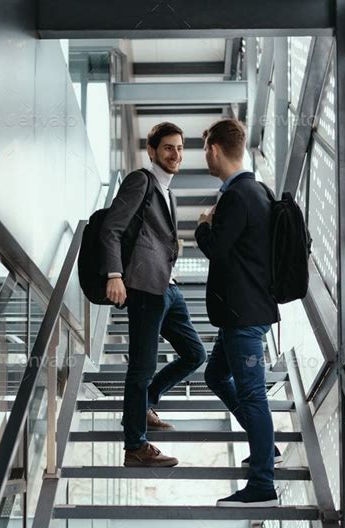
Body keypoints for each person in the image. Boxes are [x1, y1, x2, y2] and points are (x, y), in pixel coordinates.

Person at [100, 122, 207, 467]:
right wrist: (115, 274)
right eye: (168, 148)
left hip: (169, 288)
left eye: (179, 148)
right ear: (152, 151)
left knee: (194, 354)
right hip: (144, 287)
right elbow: (112, 228)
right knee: (142, 366)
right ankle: (135, 446)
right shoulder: (140, 181)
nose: (175, 154)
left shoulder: (170, 193)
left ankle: (145, 403)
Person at [195, 118, 281, 506]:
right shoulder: (258, 190)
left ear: (214, 149)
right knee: (216, 375)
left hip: (244, 317)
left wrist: (203, 226)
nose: (205, 157)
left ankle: (263, 482)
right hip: (245, 312)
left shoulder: (236, 195)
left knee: (252, 395)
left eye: (204, 150)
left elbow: (217, 249)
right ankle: (266, 447)